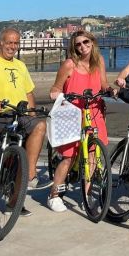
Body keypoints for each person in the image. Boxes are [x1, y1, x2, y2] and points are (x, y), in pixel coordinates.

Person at [0, 28, 47, 216]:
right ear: (0, 43)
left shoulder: (21, 66)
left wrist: (31, 113)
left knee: (40, 125)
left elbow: (28, 92)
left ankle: (27, 175)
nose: (12, 47)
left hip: (20, 113)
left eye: (16, 43)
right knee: (10, 137)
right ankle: (0, 177)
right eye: (9, 42)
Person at [45, 30, 111, 213]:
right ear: (74, 48)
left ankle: (87, 194)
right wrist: (57, 94)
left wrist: (109, 89)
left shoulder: (99, 62)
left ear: (92, 42)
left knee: (92, 154)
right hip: (72, 114)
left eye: (86, 42)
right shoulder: (69, 65)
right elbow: (55, 88)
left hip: (94, 110)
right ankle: (54, 194)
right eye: (78, 44)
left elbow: (104, 83)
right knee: (68, 157)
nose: (83, 46)